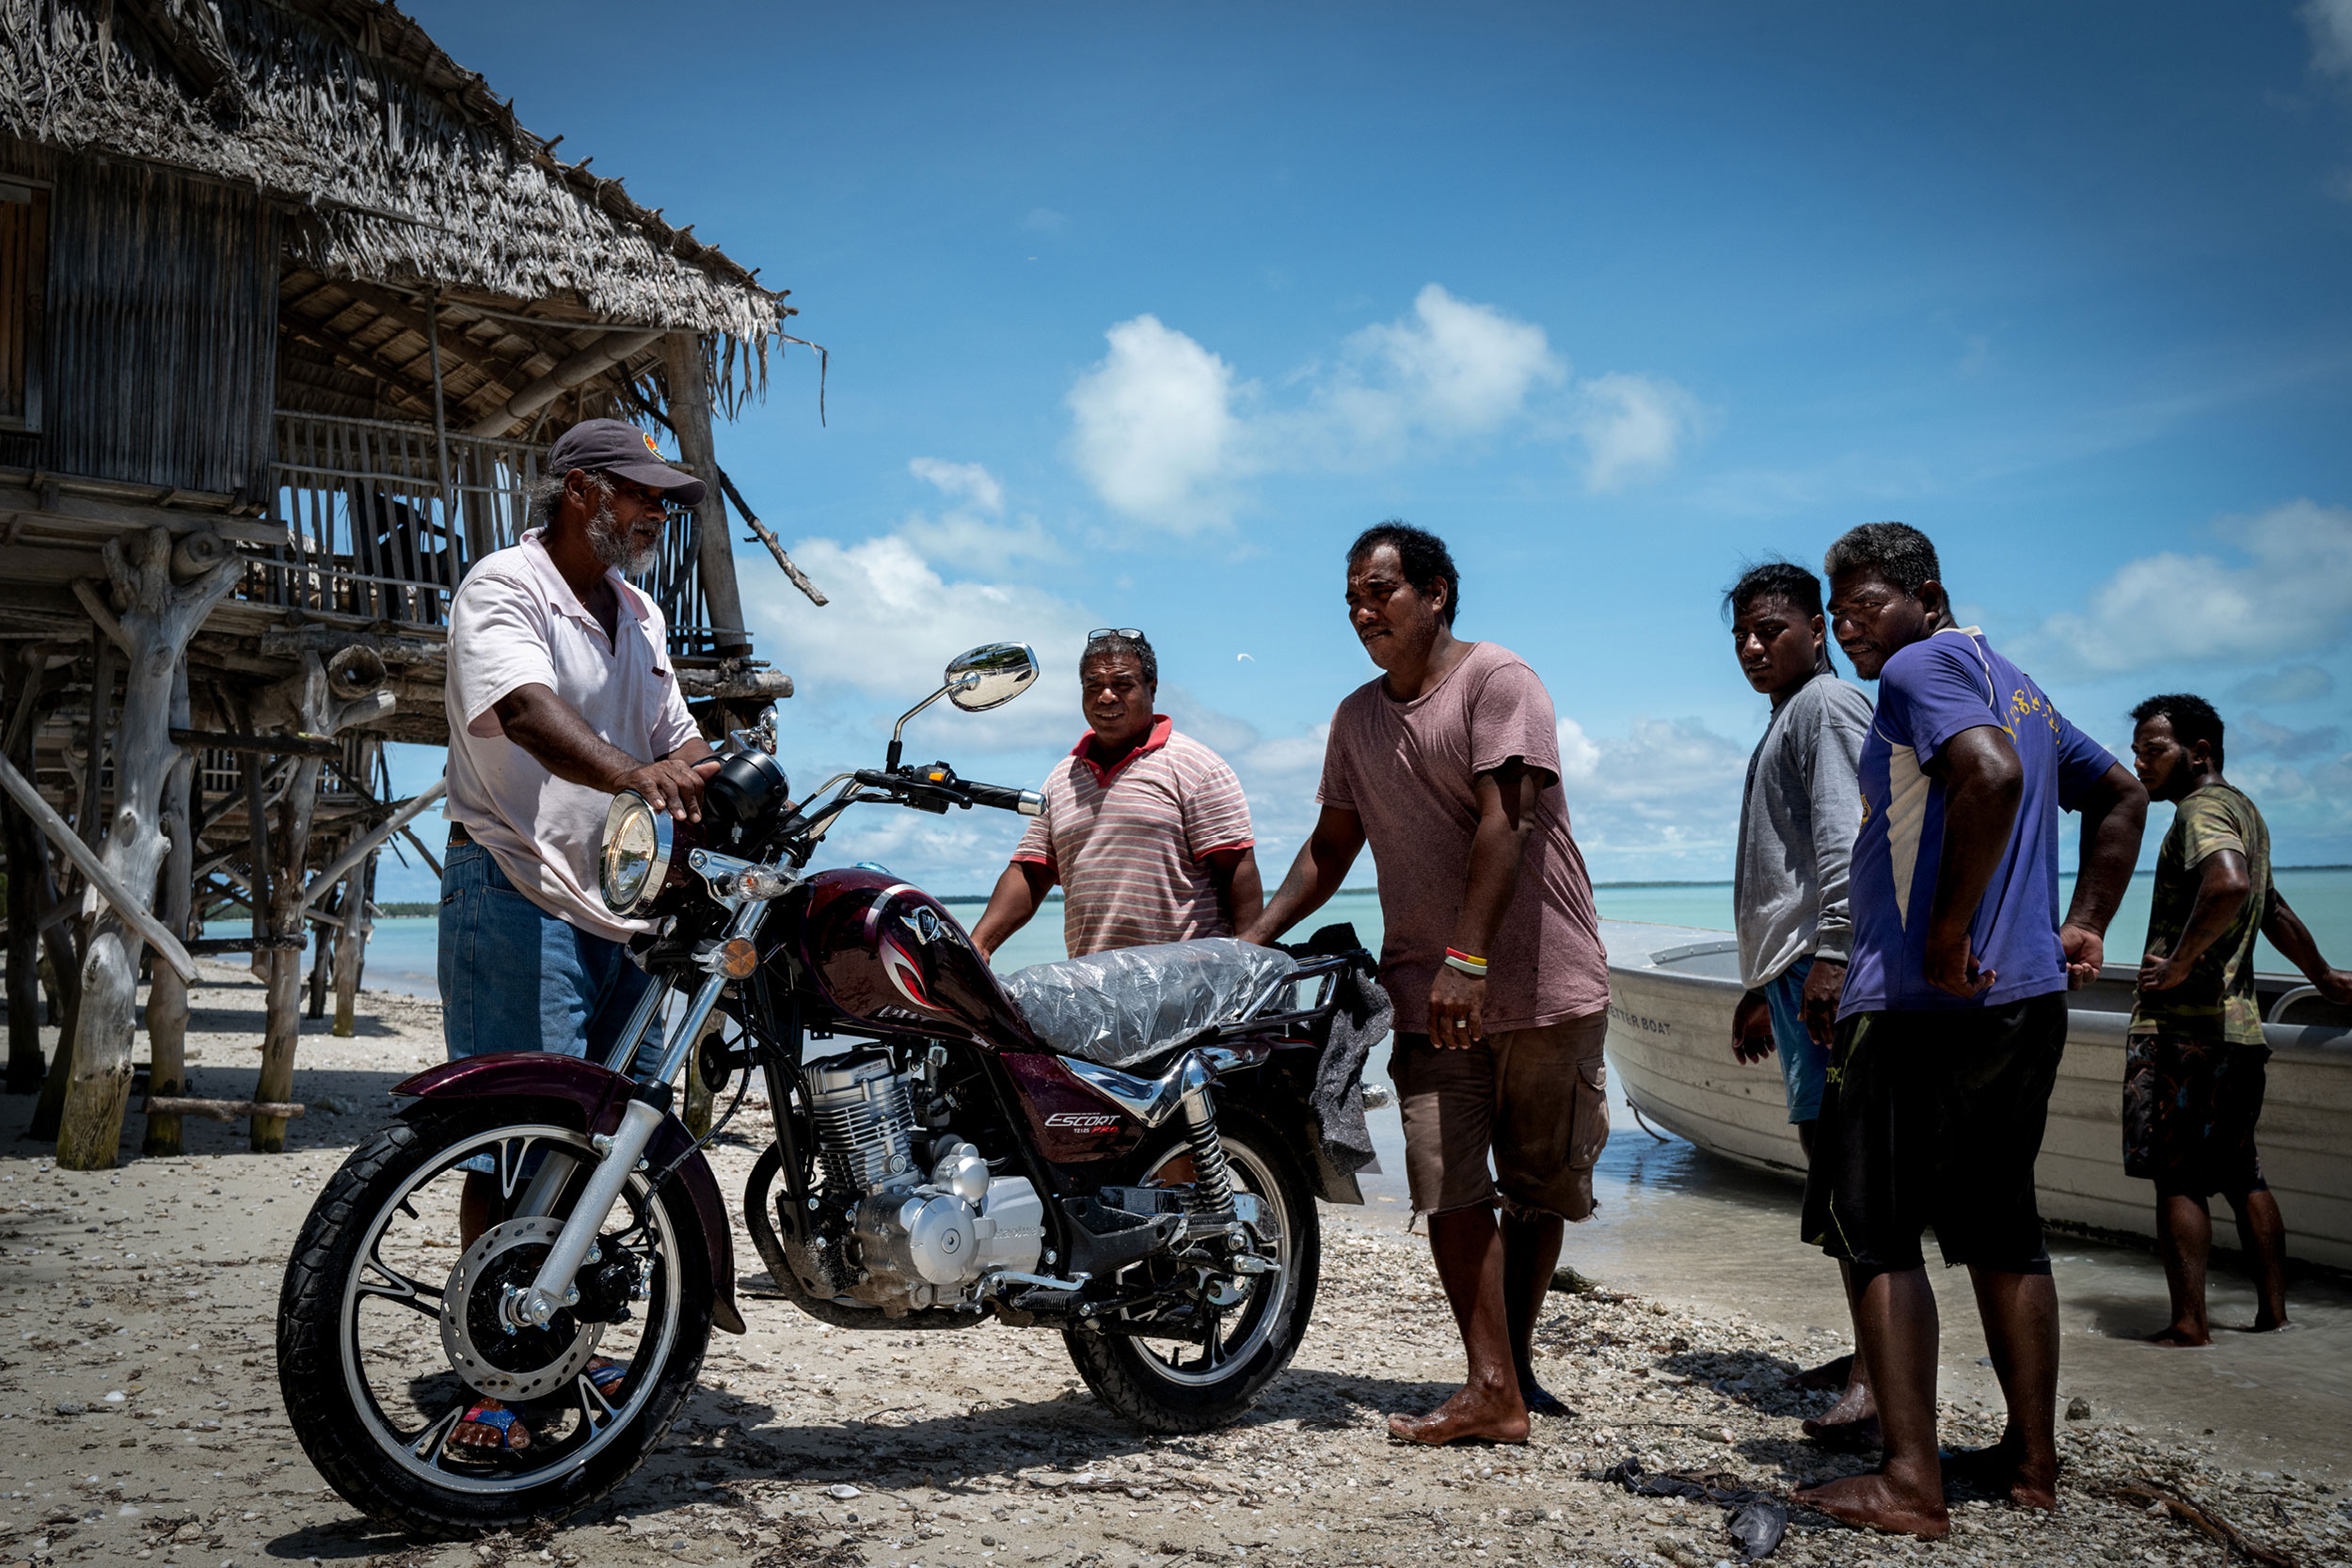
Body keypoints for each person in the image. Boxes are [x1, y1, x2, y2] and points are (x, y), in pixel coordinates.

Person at [1795, 522, 2146, 1537]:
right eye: (1839, 612)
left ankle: (1912, 1482)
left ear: (1928, 596)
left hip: (1921, 1001)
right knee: (2002, 1228)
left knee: (1875, 1231)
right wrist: (2084, 923)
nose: (1849, 628)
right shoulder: (2018, 684)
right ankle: (2031, 1463)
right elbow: (2120, 792)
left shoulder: (1919, 667)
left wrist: (1944, 935)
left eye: (1866, 605)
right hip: (2022, 1000)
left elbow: (1987, 776)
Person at [1238, 522, 1611, 1447]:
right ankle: (1491, 1383)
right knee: (1447, 1182)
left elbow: (1506, 821)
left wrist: (1468, 960)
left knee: (1537, 1189)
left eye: (1381, 593)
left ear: (1436, 592)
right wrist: (1250, 942)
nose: (1363, 613)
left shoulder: (1498, 681)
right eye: (1352, 600)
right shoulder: (1355, 718)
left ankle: (1511, 1370)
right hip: (1425, 992)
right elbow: (1330, 847)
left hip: (1543, 981)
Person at [439, 418, 719, 1451]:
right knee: (510, 1143)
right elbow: (522, 708)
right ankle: (495, 1373)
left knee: (607, 1141)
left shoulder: (639, 613)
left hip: (624, 906)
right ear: (580, 490)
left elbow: (680, 740)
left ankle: (553, 1325)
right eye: (641, 494)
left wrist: (724, 779)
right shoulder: (504, 585)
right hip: (518, 884)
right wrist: (634, 774)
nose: (657, 514)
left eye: (664, 501)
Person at [2124, 693, 2352, 1347]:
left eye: (2154, 750)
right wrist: (2325, 977)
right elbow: (2271, 907)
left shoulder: (2200, 809)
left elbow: (2229, 885)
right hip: (2240, 1031)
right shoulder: (2246, 810)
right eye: (2137, 752)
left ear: (2199, 752)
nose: (2140, 764)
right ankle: (2273, 1317)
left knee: (2178, 1176)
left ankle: (2190, 1325)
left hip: (2184, 1031)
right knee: (2242, 1173)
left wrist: (2176, 964)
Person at [1722, 560, 1879, 1445]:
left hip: (1827, 977)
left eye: (1771, 630)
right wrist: (1761, 983)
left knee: (1852, 1175)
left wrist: (1834, 953)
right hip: (1791, 978)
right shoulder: (1790, 714)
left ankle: (1877, 1377)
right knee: (1831, 1168)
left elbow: (1846, 841)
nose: (1753, 647)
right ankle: (1870, 1350)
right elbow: (1784, 865)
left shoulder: (1826, 705)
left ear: (1817, 630)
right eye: (1741, 634)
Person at [971, 628, 1261, 959]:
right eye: (1093, 685)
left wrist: (1249, 962)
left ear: (1152, 688)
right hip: (1091, 980)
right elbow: (1032, 874)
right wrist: (978, 945)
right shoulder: (1062, 778)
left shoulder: (1197, 766)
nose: (1106, 696)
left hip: (1189, 979)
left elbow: (1237, 869)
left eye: (1123, 684)